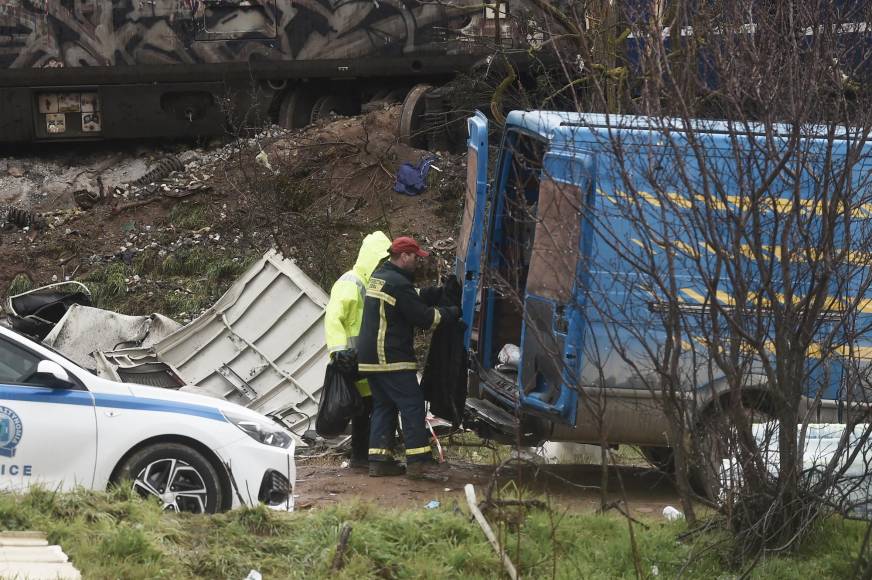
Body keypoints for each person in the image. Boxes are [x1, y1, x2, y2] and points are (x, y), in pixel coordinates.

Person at [357, 236, 461, 479]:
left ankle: (379, 461)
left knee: (384, 406)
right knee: (412, 404)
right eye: (415, 257)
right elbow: (425, 318)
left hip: (370, 359)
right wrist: (452, 312)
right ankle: (418, 462)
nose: (418, 261)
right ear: (404, 256)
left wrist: (438, 293)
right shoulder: (397, 283)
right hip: (390, 357)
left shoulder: (381, 277)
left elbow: (412, 296)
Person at [324, 231, 392, 468]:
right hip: (352, 359)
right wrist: (338, 351)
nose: (383, 265)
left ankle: (362, 457)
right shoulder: (351, 282)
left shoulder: (368, 283)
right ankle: (362, 457)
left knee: (366, 409)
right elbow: (333, 317)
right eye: (381, 260)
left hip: (361, 359)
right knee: (364, 410)